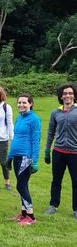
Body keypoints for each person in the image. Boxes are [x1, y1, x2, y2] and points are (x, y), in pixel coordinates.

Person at [6, 93, 41, 226]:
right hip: (16, 157)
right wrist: (9, 157)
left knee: (21, 185)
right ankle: (24, 213)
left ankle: (31, 217)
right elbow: (15, 139)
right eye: (19, 103)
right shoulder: (19, 118)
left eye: (24, 103)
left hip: (26, 157)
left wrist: (35, 160)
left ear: (30, 104)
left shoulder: (34, 119)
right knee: (22, 185)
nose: (21, 105)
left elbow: (35, 141)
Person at [44, 83, 77, 219]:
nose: (67, 95)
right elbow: (51, 132)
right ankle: (53, 205)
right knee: (56, 180)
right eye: (64, 93)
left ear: (74, 96)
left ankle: (76, 209)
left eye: (70, 93)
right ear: (61, 96)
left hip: (75, 153)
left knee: (76, 182)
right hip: (58, 152)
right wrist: (47, 150)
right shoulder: (55, 113)